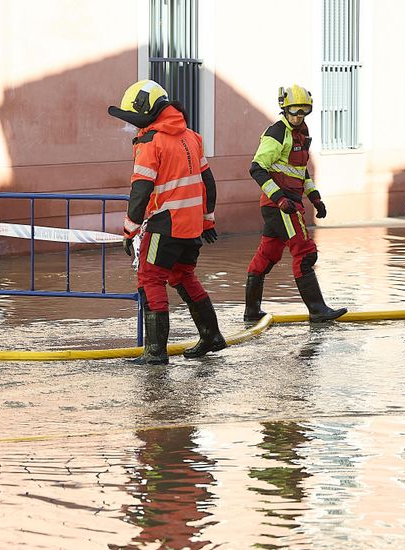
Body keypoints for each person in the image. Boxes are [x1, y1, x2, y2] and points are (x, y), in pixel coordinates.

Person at [108, 79, 224, 365]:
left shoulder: (150, 142)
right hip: (192, 226)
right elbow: (208, 182)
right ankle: (211, 336)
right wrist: (207, 220)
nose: (132, 125)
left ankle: (155, 352)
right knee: (183, 276)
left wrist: (129, 230)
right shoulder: (192, 137)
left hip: (165, 224)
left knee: (150, 279)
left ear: (145, 112)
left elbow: (141, 189)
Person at [243, 84, 347, 323]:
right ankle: (318, 310)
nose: (299, 116)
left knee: (268, 255)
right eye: (294, 111)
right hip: (281, 205)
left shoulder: (300, 134)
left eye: (304, 111)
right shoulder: (277, 133)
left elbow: (300, 171)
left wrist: (315, 198)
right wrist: (279, 198)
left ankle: (252, 312)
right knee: (305, 253)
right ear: (284, 109)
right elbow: (257, 168)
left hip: (285, 204)